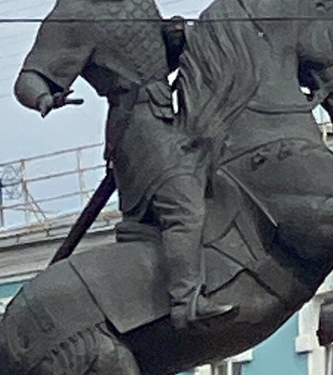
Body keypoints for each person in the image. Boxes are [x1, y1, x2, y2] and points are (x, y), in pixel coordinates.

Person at [14, 0, 235, 328]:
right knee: (183, 209)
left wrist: (173, 42)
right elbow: (30, 78)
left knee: (172, 212)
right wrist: (44, 97)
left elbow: (154, 62)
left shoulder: (139, 2)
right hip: (137, 126)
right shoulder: (75, 13)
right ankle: (186, 303)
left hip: (170, 114)